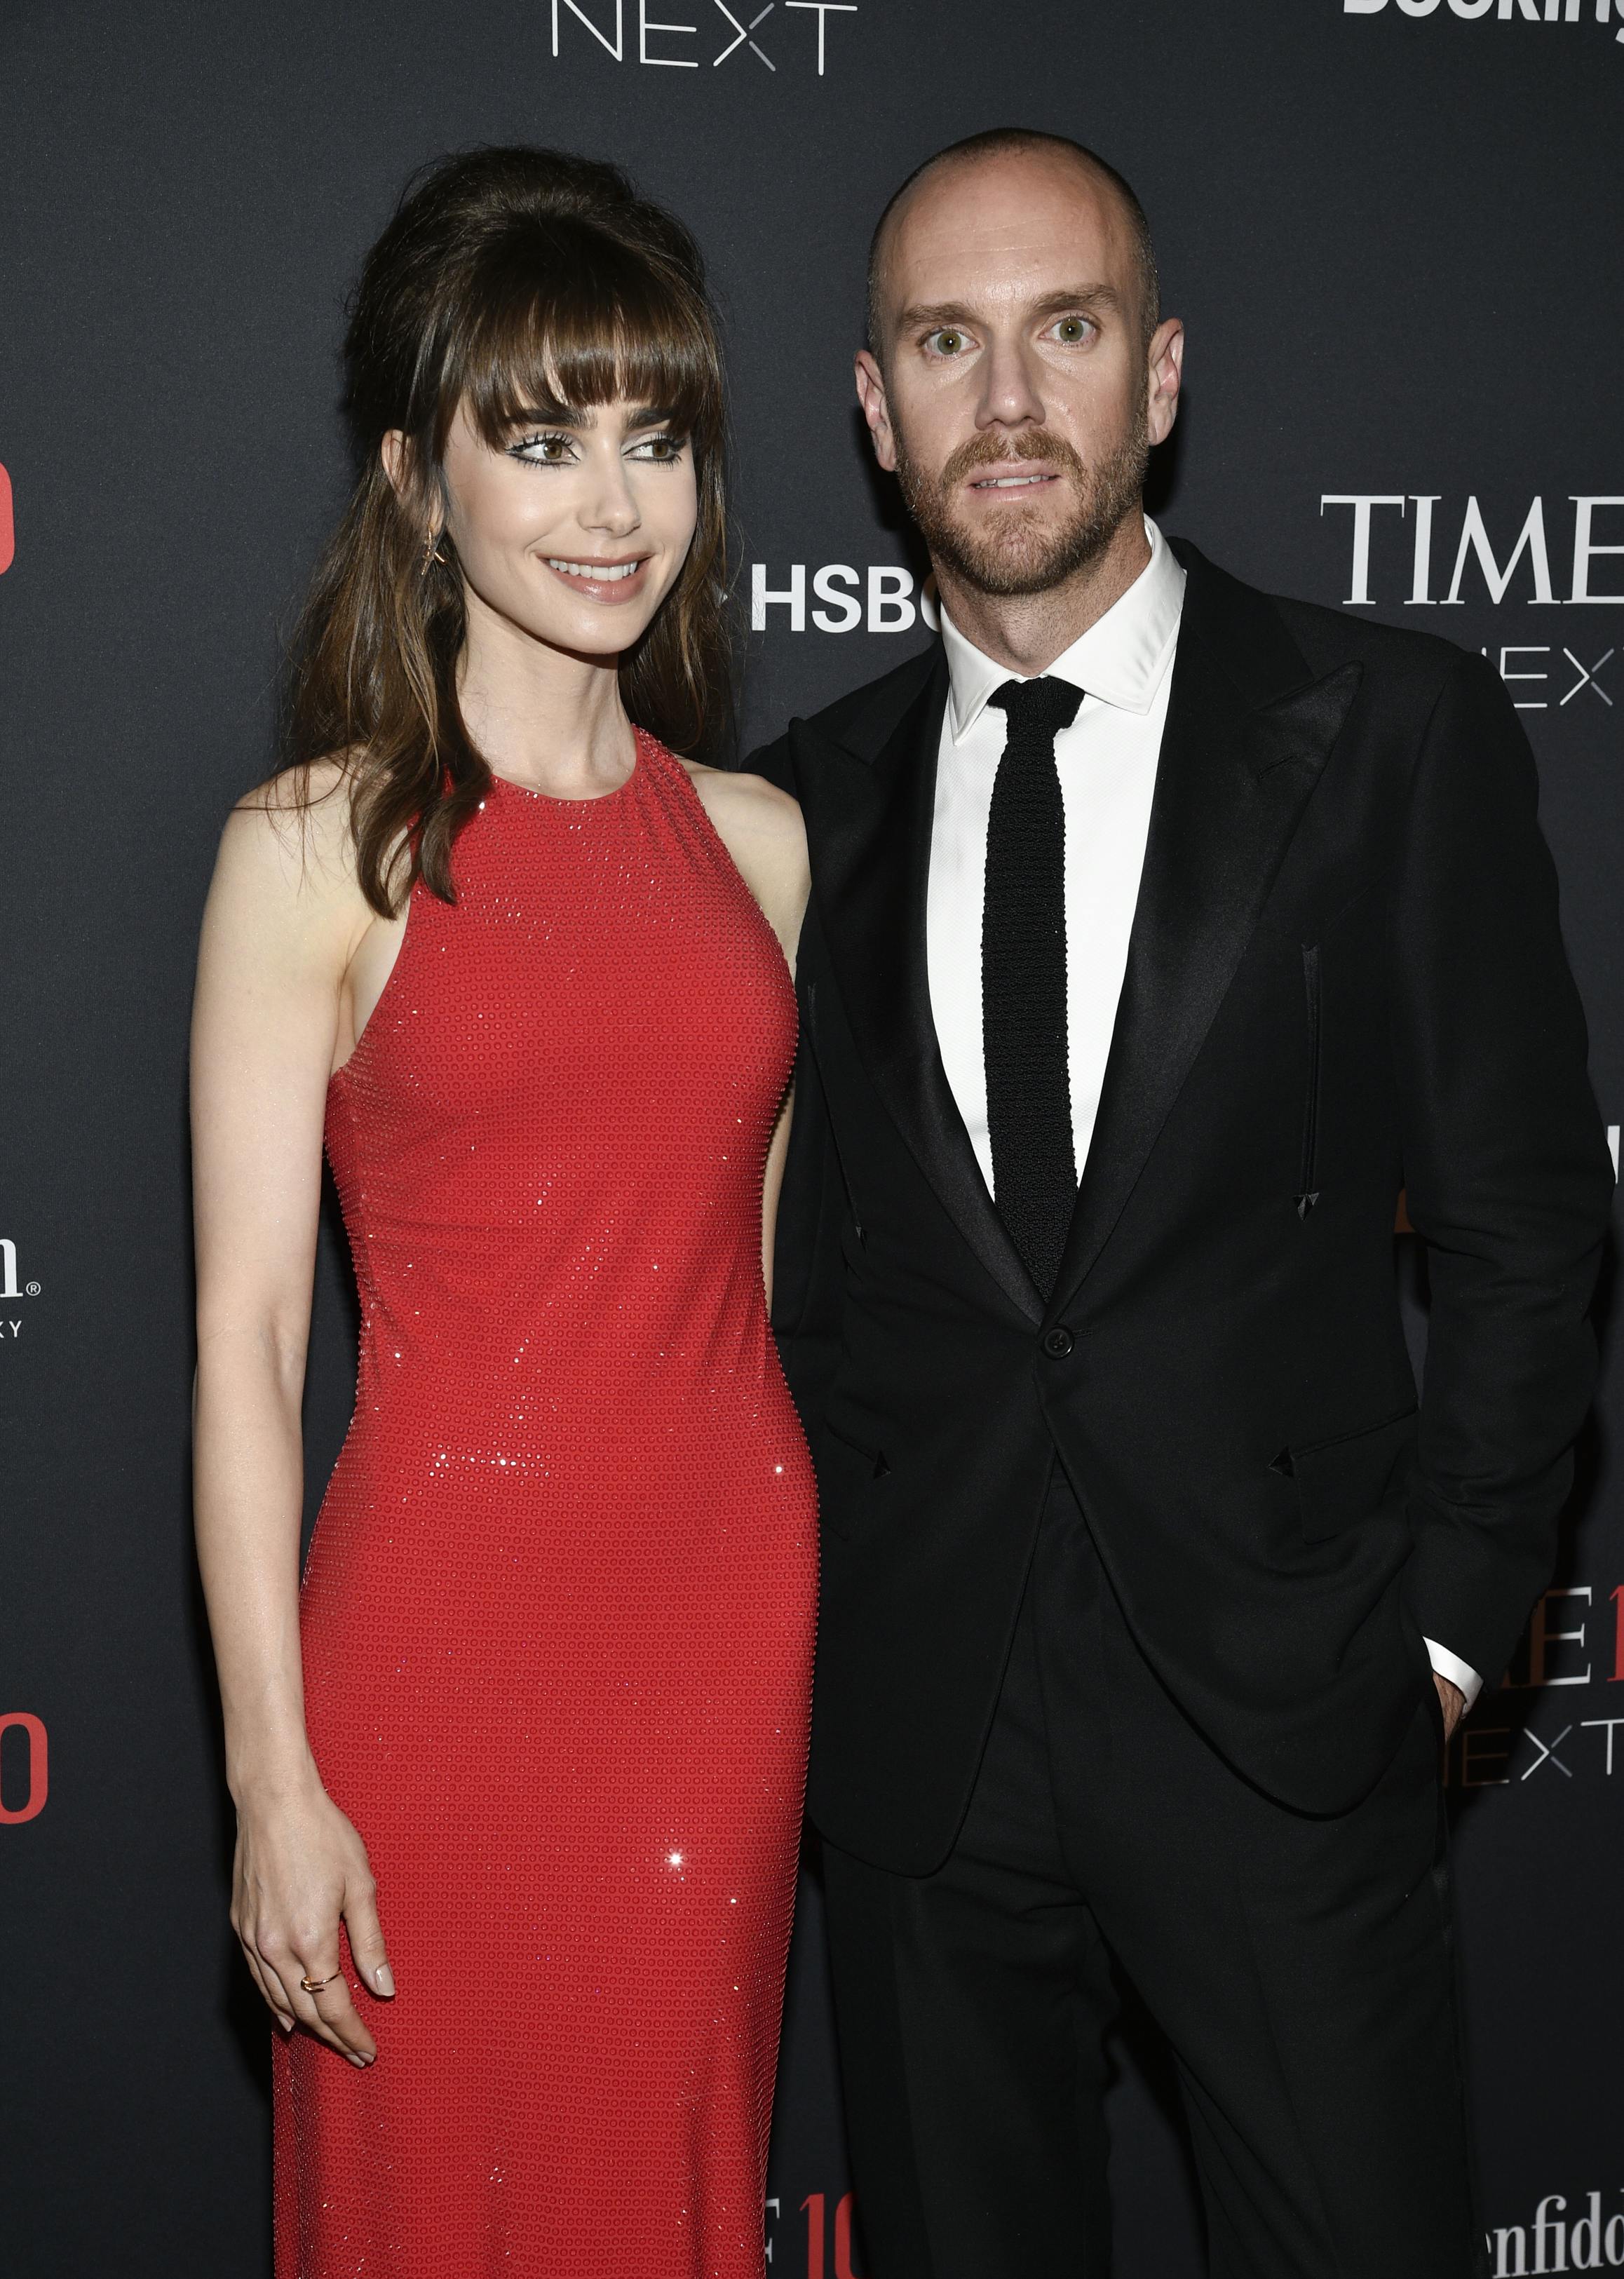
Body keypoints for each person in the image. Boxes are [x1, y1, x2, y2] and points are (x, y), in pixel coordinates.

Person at [756, 128, 1613, 2278]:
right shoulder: (797, 805)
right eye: (945, 343)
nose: (1008, 399)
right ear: (875, 410)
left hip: (1288, 1720)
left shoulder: (1387, 726)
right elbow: (800, 1280)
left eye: (1064, 329)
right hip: (928, 1746)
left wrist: (1437, 1635)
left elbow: (1523, 1221)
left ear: (1157, 373)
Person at [191, 147, 816, 2279]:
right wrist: (273, 1776)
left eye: (652, 437)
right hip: (438, 1651)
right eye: (537, 440)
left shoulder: (761, 844)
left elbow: (746, 1287)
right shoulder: (311, 851)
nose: (611, 503)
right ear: (412, 475)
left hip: (721, 1627)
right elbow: (253, 1348)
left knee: (658, 2190)